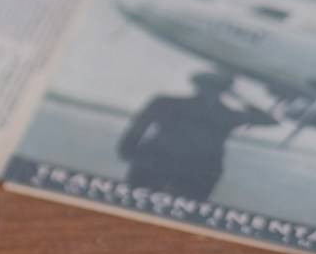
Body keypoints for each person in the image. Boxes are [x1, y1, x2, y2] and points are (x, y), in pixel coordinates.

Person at [115, 71, 278, 199]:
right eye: (210, 86)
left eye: (215, 87)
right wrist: (130, 150)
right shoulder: (225, 115)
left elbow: (270, 120)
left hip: (193, 170)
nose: (210, 91)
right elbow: (139, 126)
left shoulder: (225, 114)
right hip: (169, 164)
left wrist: (129, 150)